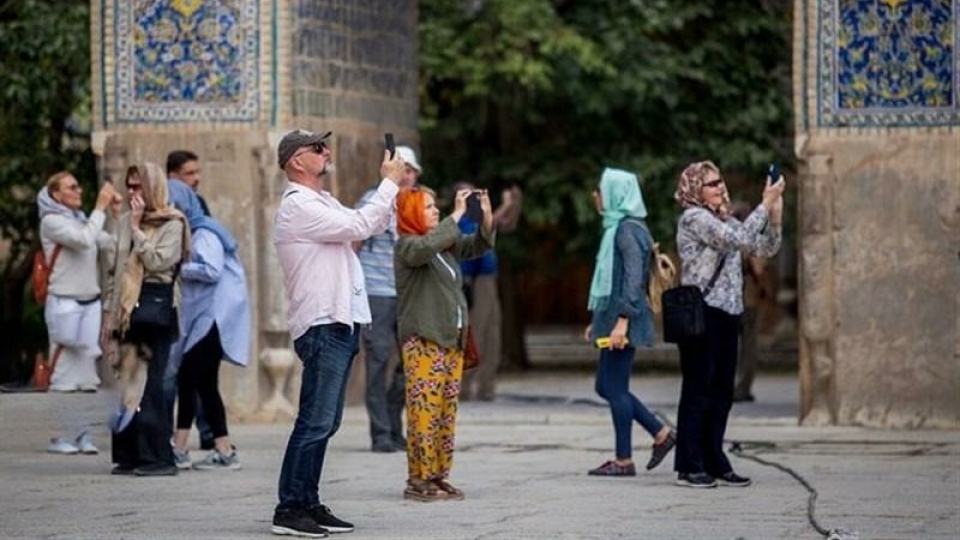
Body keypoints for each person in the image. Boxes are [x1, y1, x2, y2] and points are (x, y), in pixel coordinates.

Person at [271, 129, 404, 537]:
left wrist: (389, 190)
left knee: (326, 422)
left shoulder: (321, 201)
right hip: (322, 322)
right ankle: (290, 508)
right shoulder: (298, 206)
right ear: (296, 160)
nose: (326, 151)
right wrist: (389, 182)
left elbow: (367, 225)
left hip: (340, 320)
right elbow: (362, 221)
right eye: (317, 148)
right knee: (314, 420)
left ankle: (308, 501)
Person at [672, 161, 784, 488]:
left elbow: (765, 246)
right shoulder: (694, 219)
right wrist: (764, 203)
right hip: (700, 314)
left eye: (720, 181)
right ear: (695, 190)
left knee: (721, 390)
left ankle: (713, 457)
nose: (720, 187)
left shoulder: (726, 220)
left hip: (727, 312)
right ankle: (689, 464)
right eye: (711, 183)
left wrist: (775, 216)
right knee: (698, 388)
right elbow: (736, 239)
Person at [394, 185, 494, 502]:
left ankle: (438, 475)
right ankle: (418, 479)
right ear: (410, 214)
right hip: (425, 341)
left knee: (444, 413)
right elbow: (423, 248)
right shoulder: (408, 247)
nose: (435, 210)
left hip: (451, 340)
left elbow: (476, 245)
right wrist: (458, 214)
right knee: (424, 413)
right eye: (428, 207)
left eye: (436, 206)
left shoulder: (443, 247)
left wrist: (486, 218)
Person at [582, 168, 676, 477]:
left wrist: (621, 322)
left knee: (614, 387)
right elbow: (613, 279)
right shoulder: (618, 228)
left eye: (601, 190)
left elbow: (634, 279)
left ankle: (625, 459)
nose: (597, 196)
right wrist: (599, 321)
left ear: (616, 195)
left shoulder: (627, 230)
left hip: (626, 320)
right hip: (615, 320)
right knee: (605, 385)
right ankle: (660, 434)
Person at [102, 162, 190, 477]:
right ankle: (130, 454)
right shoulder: (124, 221)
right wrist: (108, 316)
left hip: (157, 311)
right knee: (126, 384)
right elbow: (116, 270)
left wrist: (139, 230)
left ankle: (159, 457)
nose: (132, 192)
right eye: (129, 185)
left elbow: (158, 261)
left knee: (152, 385)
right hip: (128, 312)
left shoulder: (173, 221)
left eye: (139, 186)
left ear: (153, 187)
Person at [167, 180, 250, 470]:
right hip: (209, 319)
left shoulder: (204, 233)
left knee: (188, 378)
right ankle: (224, 450)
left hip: (214, 319)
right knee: (205, 385)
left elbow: (211, 270)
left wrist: (176, 268)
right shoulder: (197, 232)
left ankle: (178, 448)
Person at [37, 172, 117, 454]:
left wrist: (117, 216)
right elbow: (84, 240)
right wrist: (100, 207)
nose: (78, 190)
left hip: (89, 301)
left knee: (86, 374)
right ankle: (60, 436)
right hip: (64, 302)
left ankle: (82, 435)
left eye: (78, 184)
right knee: (63, 371)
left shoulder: (82, 219)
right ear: (57, 195)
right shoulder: (52, 222)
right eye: (72, 187)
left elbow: (108, 243)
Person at [355, 145, 421, 453]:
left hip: (409, 293)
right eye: (402, 169)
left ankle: (395, 426)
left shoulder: (420, 203)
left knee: (411, 362)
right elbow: (355, 240)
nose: (406, 175)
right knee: (378, 361)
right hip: (377, 292)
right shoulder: (375, 199)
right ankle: (380, 433)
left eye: (411, 170)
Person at [165, 149, 216, 451]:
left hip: (198, 302)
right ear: (172, 176)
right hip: (169, 302)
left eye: (197, 173)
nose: (195, 179)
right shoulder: (163, 209)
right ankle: (167, 435)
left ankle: (209, 432)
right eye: (189, 173)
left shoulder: (199, 207)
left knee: (201, 371)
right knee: (172, 372)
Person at [456, 183, 522, 402]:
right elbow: (486, 227)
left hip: (487, 278)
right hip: (473, 280)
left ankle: (486, 387)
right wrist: (505, 205)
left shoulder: (475, 218)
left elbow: (502, 224)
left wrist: (511, 205)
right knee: (477, 334)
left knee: (492, 334)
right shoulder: (463, 221)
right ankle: (464, 388)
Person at [730, 203, 766, 403]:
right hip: (748, 296)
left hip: (728, 298)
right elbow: (759, 269)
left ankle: (728, 385)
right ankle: (743, 386)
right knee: (749, 345)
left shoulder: (728, 237)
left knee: (728, 344)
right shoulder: (751, 240)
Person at [167, 150, 210, 215]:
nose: (197, 178)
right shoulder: (163, 203)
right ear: (173, 177)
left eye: (197, 172)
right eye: (190, 173)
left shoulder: (199, 200)